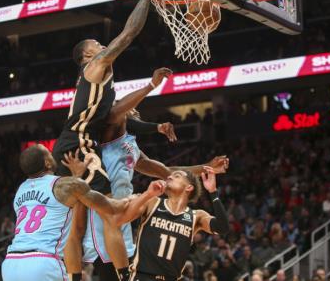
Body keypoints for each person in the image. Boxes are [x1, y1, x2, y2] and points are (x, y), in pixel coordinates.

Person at [79, 67, 228, 280]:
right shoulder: (111, 130)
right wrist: (152, 89)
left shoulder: (132, 147)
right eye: (132, 108)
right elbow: (118, 113)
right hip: (106, 206)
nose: (136, 110)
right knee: (108, 272)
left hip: (124, 210)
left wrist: (207, 167)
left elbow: (168, 172)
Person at [52, 0, 153, 281]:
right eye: (96, 43)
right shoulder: (95, 66)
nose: (101, 45)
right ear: (88, 54)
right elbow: (129, 33)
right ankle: (123, 274)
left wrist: (136, 101)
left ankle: (75, 277)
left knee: (78, 222)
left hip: (74, 144)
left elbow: (110, 114)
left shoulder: (96, 81)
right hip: (80, 145)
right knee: (111, 212)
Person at [1, 144, 155, 281]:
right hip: (43, 262)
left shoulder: (20, 191)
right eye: (49, 153)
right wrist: (134, 198)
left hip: (10, 263)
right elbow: (111, 207)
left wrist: (76, 177)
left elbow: (57, 202)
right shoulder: (65, 185)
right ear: (47, 162)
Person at [114, 167, 230, 281]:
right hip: (142, 276)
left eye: (177, 176)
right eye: (171, 175)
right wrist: (148, 194)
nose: (169, 176)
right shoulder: (152, 202)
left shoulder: (196, 216)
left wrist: (213, 192)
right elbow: (120, 220)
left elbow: (222, 227)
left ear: (189, 187)